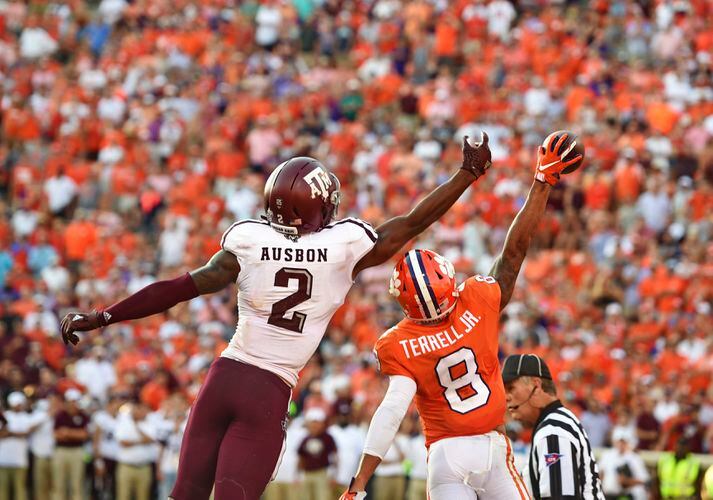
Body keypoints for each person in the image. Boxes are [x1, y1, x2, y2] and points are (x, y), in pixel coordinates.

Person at [59, 135, 493, 500]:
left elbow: (176, 289)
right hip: (267, 390)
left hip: (223, 378)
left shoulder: (248, 243)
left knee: (184, 494)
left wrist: (103, 316)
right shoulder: (341, 249)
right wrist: (466, 175)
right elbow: (413, 222)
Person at [341, 133, 582, 500]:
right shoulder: (477, 298)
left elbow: (391, 412)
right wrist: (541, 182)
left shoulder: (398, 343)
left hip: (446, 456)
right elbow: (513, 253)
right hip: (493, 448)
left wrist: (359, 482)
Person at [502, 353, 604, 499]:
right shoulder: (555, 423)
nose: (506, 397)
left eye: (511, 388)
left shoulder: (553, 431)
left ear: (536, 386)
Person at [53, 388, 90, 500]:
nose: (73, 404)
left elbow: (84, 435)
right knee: (59, 484)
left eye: (75, 401)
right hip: (61, 451)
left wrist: (67, 432)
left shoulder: (83, 416)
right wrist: (74, 434)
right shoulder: (60, 415)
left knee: (77, 484)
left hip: (77, 451)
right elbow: (56, 434)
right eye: (71, 401)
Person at [296, 408, 336, 500]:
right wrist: (297, 475)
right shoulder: (305, 438)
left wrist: (333, 474)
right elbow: (300, 456)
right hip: (307, 473)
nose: (315, 425)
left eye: (317, 422)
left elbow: (334, 456)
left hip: (321, 473)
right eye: (313, 422)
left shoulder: (327, 438)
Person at [600, 428, 649, 500]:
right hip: (607, 494)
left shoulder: (634, 458)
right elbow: (599, 473)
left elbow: (644, 480)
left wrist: (627, 481)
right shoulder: (607, 455)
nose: (620, 444)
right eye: (619, 441)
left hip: (626, 495)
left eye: (623, 442)